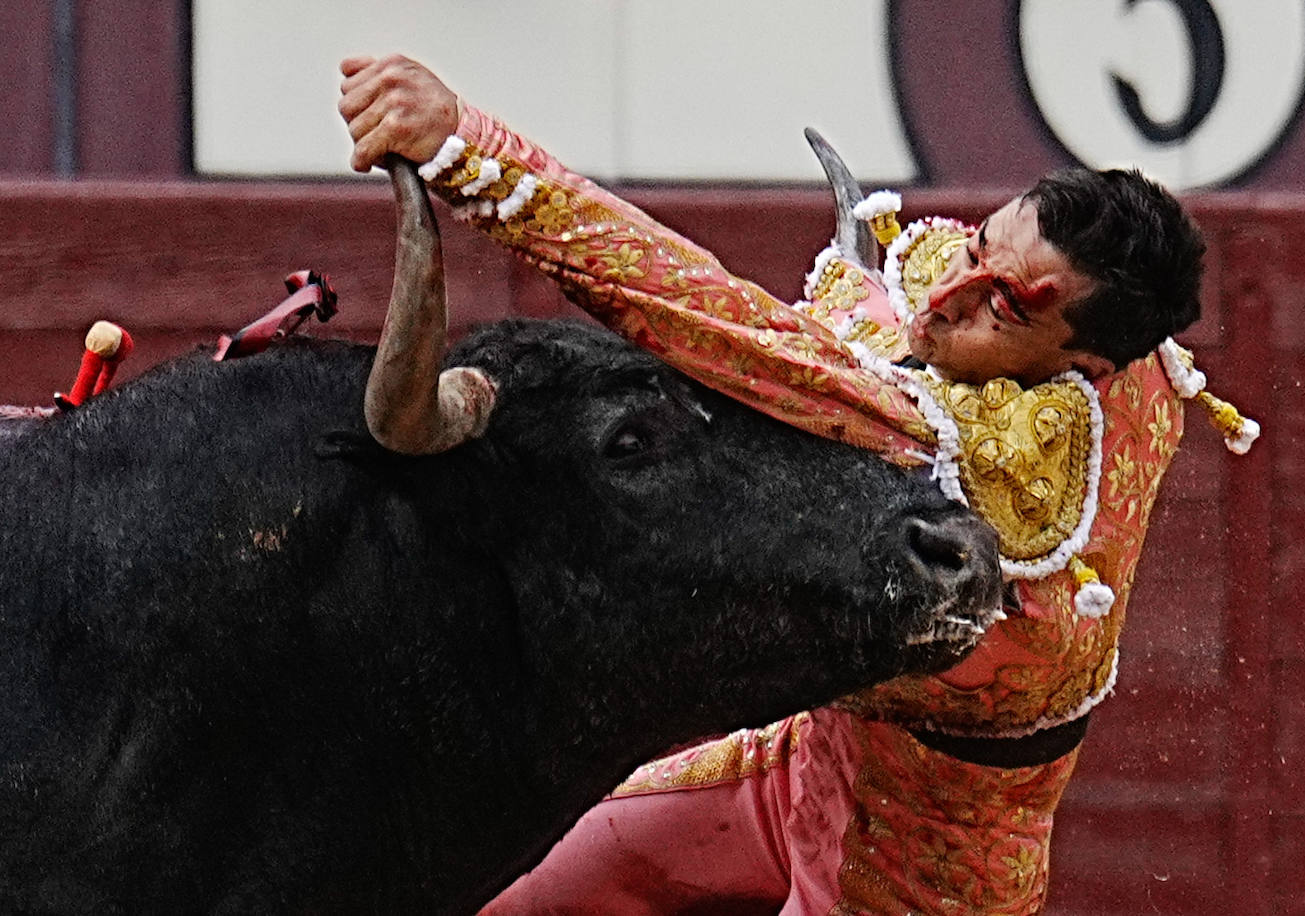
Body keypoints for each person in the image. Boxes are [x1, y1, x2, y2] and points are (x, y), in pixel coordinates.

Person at [338, 54, 1256, 914]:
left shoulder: (967, 451)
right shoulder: (1131, 347)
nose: (944, 297)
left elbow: (698, 311)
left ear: (1085, 362)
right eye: (979, 244)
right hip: (799, 763)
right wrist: (887, 306)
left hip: (933, 876)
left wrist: (468, 145)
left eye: (1002, 307)